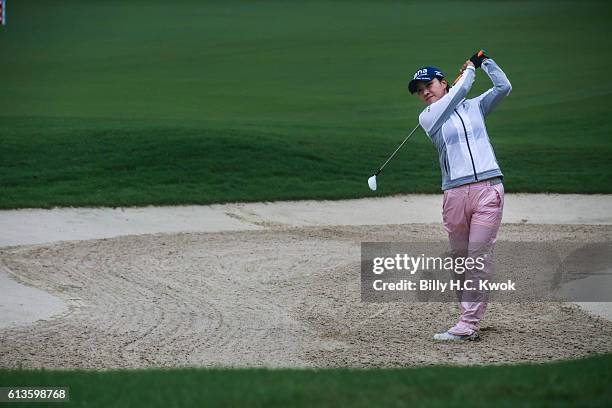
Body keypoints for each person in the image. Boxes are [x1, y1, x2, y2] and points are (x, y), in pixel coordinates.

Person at [408, 51, 512, 341]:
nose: (425, 92)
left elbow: (504, 87)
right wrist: (469, 71)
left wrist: (485, 61)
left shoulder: (475, 107)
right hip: (454, 193)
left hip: (488, 189)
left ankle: (468, 323)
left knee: (478, 257)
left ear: (443, 83)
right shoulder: (428, 116)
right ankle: (468, 311)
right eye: (419, 90)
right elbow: (462, 89)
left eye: (429, 84)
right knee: (460, 261)